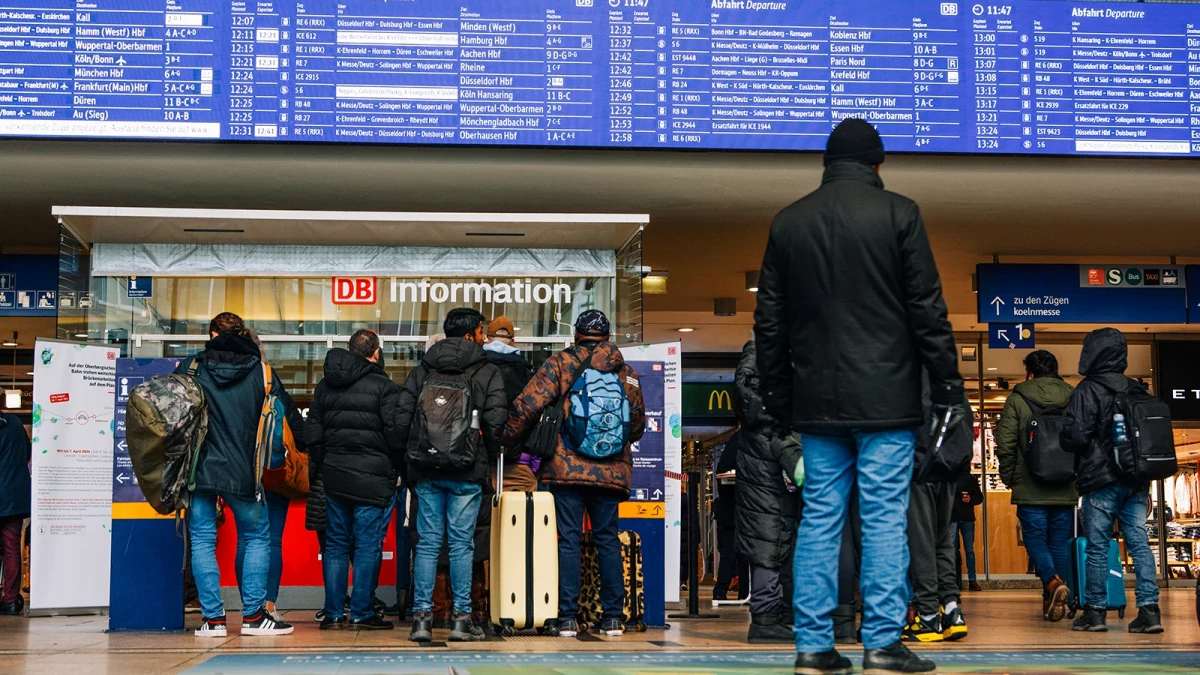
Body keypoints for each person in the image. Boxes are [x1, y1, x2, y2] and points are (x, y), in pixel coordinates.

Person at [754, 118, 964, 675]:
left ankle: (814, 648)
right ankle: (882, 644)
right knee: (883, 520)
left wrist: (779, 397)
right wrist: (946, 387)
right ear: (878, 165)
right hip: (888, 400)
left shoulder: (789, 222)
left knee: (821, 518)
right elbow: (927, 310)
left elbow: (768, 322)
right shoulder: (900, 214)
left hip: (817, 403)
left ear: (826, 165)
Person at [503, 309, 646, 638]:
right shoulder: (628, 373)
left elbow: (528, 405)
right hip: (612, 473)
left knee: (568, 541)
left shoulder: (560, 364)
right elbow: (636, 425)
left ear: (577, 334)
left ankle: (567, 617)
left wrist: (506, 439)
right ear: (607, 336)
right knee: (607, 540)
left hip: (566, 468)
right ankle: (613, 618)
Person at [398, 308, 507, 643]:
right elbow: (496, 423)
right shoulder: (488, 371)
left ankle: (421, 621)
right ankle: (461, 620)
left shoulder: (422, 370)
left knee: (428, 544)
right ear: (474, 333)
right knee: (462, 544)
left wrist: (408, 463)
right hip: (467, 469)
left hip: (426, 468)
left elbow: (402, 420)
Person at [185, 312, 294, 637]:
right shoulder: (262, 373)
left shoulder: (192, 369)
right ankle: (253, 617)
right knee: (257, 536)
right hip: (245, 470)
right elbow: (275, 429)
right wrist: (272, 466)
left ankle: (213, 620)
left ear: (212, 334)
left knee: (203, 539)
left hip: (199, 469)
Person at [1060, 328, 1163, 634]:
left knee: (1098, 547)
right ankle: (1149, 611)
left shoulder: (1087, 390)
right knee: (1140, 544)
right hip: (1136, 478)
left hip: (1100, 479)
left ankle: (1095, 612)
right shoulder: (1136, 389)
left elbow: (1075, 436)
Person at [306, 329, 402, 631]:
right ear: (375, 353)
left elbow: (314, 434)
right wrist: (394, 469)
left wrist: (326, 464)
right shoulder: (384, 387)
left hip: (334, 476)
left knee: (335, 545)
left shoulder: (325, 386)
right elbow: (394, 435)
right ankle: (361, 611)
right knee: (367, 545)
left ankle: (333, 612)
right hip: (373, 480)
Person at [995, 350, 1077, 622]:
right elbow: (1084, 439)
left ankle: (1053, 584)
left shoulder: (1017, 399)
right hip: (1065, 482)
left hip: (1030, 484)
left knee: (1034, 538)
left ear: (1029, 373)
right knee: (1059, 542)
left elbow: (1005, 443)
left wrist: (1011, 478)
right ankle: (1050, 601)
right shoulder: (1073, 396)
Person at [732, 339, 803, 643]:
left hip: (762, 487)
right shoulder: (773, 421)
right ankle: (765, 619)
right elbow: (790, 453)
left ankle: (771, 615)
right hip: (769, 490)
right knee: (768, 548)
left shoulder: (756, 419)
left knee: (770, 547)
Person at [232, 332, 305, 623]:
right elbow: (294, 422)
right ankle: (268, 606)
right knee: (271, 540)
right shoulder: (267, 377)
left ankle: (249, 606)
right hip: (271, 469)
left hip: (237, 470)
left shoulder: (217, 379)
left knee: (244, 541)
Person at [904, 378, 973, 643]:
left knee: (921, 544)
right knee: (943, 541)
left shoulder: (911, 382)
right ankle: (953, 611)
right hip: (949, 473)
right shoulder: (950, 382)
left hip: (920, 471)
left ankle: (929, 617)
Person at [483, 315, 538, 493]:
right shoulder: (527, 373)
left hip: (482, 460)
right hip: (520, 462)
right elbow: (534, 415)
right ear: (513, 342)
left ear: (486, 339)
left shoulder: (477, 369)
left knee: (484, 517)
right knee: (520, 517)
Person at [0, 411, 31, 616]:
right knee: (11, 548)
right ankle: (10, 600)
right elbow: (27, 453)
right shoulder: (16, 423)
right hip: (14, 497)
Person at [712, 432, 746, 603]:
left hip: (731, 509)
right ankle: (742, 592)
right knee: (739, 554)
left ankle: (722, 591)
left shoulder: (738, 439)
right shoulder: (743, 439)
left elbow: (722, 471)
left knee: (730, 554)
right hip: (739, 509)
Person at [949, 473, 983, 593]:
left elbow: (979, 497)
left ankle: (966, 580)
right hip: (958, 517)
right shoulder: (967, 478)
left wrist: (970, 499)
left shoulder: (968, 479)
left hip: (961, 517)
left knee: (966, 550)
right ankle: (962, 580)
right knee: (962, 550)